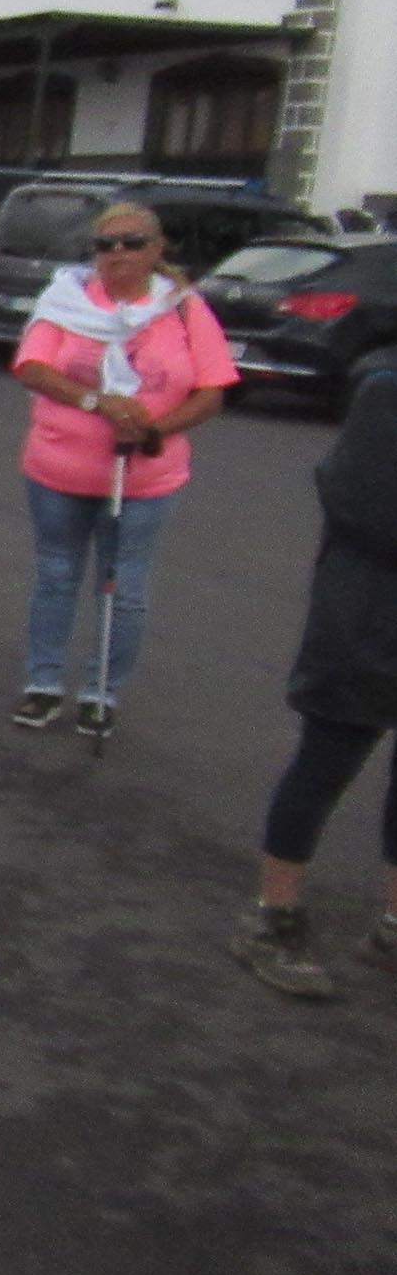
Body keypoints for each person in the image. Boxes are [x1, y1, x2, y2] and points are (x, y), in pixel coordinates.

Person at [8, 200, 236, 736]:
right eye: (106, 244)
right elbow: (32, 366)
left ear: (157, 249)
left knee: (124, 586)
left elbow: (213, 389)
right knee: (57, 574)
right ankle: (43, 684)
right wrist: (97, 402)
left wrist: (155, 429)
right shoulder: (65, 299)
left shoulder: (183, 308)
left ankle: (102, 690)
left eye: (132, 242)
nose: (118, 254)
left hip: (144, 479)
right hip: (58, 472)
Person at [230, 353, 397, 998]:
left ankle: (392, 925)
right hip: (367, 620)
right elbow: (372, 514)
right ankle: (273, 917)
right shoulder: (386, 390)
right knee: (327, 765)